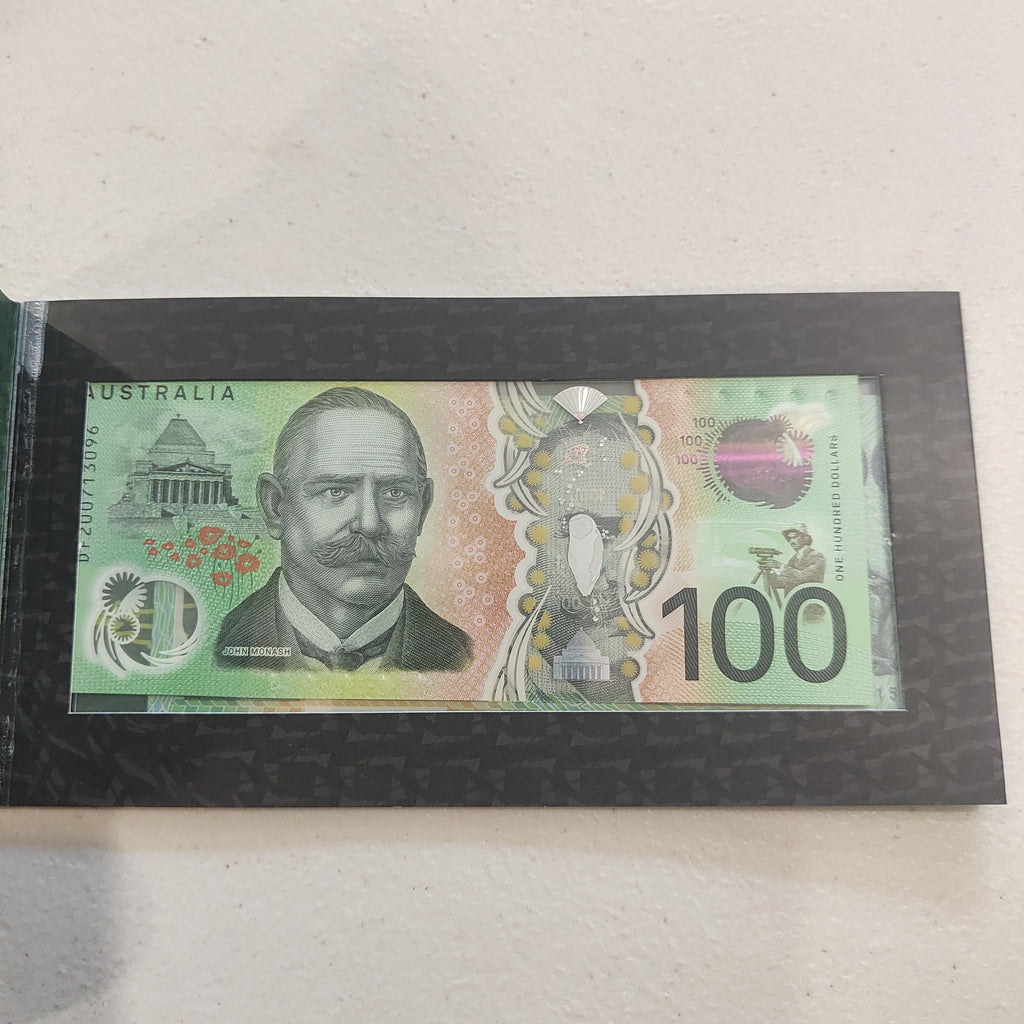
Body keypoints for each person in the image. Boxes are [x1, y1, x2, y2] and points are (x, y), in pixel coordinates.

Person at [215, 386, 472, 671]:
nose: (370, 524)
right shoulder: (215, 646)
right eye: (335, 491)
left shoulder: (463, 657)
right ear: (275, 508)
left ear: (422, 509)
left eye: (395, 493)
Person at [765, 523, 825, 596]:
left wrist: (780, 566)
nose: (791, 541)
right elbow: (782, 583)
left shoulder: (816, 556)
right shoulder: (793, 559)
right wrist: (769, 572)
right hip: (793, 600)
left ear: (805, 538)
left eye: (795, 537)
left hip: (809, 599)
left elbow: (802, 577)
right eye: (789, 539)